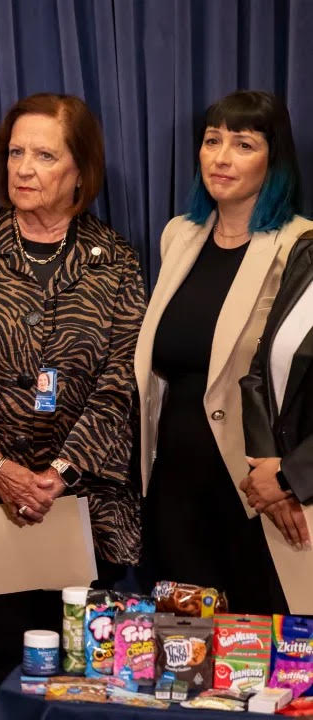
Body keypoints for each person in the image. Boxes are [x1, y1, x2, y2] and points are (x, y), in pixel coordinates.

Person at [0, 93, 146, 717]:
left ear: (81, 170)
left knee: (74, 678)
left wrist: (56, 475)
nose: (24, 168)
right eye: (16, 152)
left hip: (78, 506)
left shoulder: (117, 262)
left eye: (44, 155)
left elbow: (121, 379)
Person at [135, 90, 313, 615]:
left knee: (258, 655)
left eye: (243, 144)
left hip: (255, 485)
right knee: (184, 654)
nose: (221, 157)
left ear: (274, 157)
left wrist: (287, 476)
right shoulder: (180, 236)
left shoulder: (299, 245)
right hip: (173, 480)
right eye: (213, 141)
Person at [239, 233, 313, 577]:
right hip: (279, 506)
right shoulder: (307, 248)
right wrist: (265, 465)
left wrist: (288, 478)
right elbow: (259, 370)